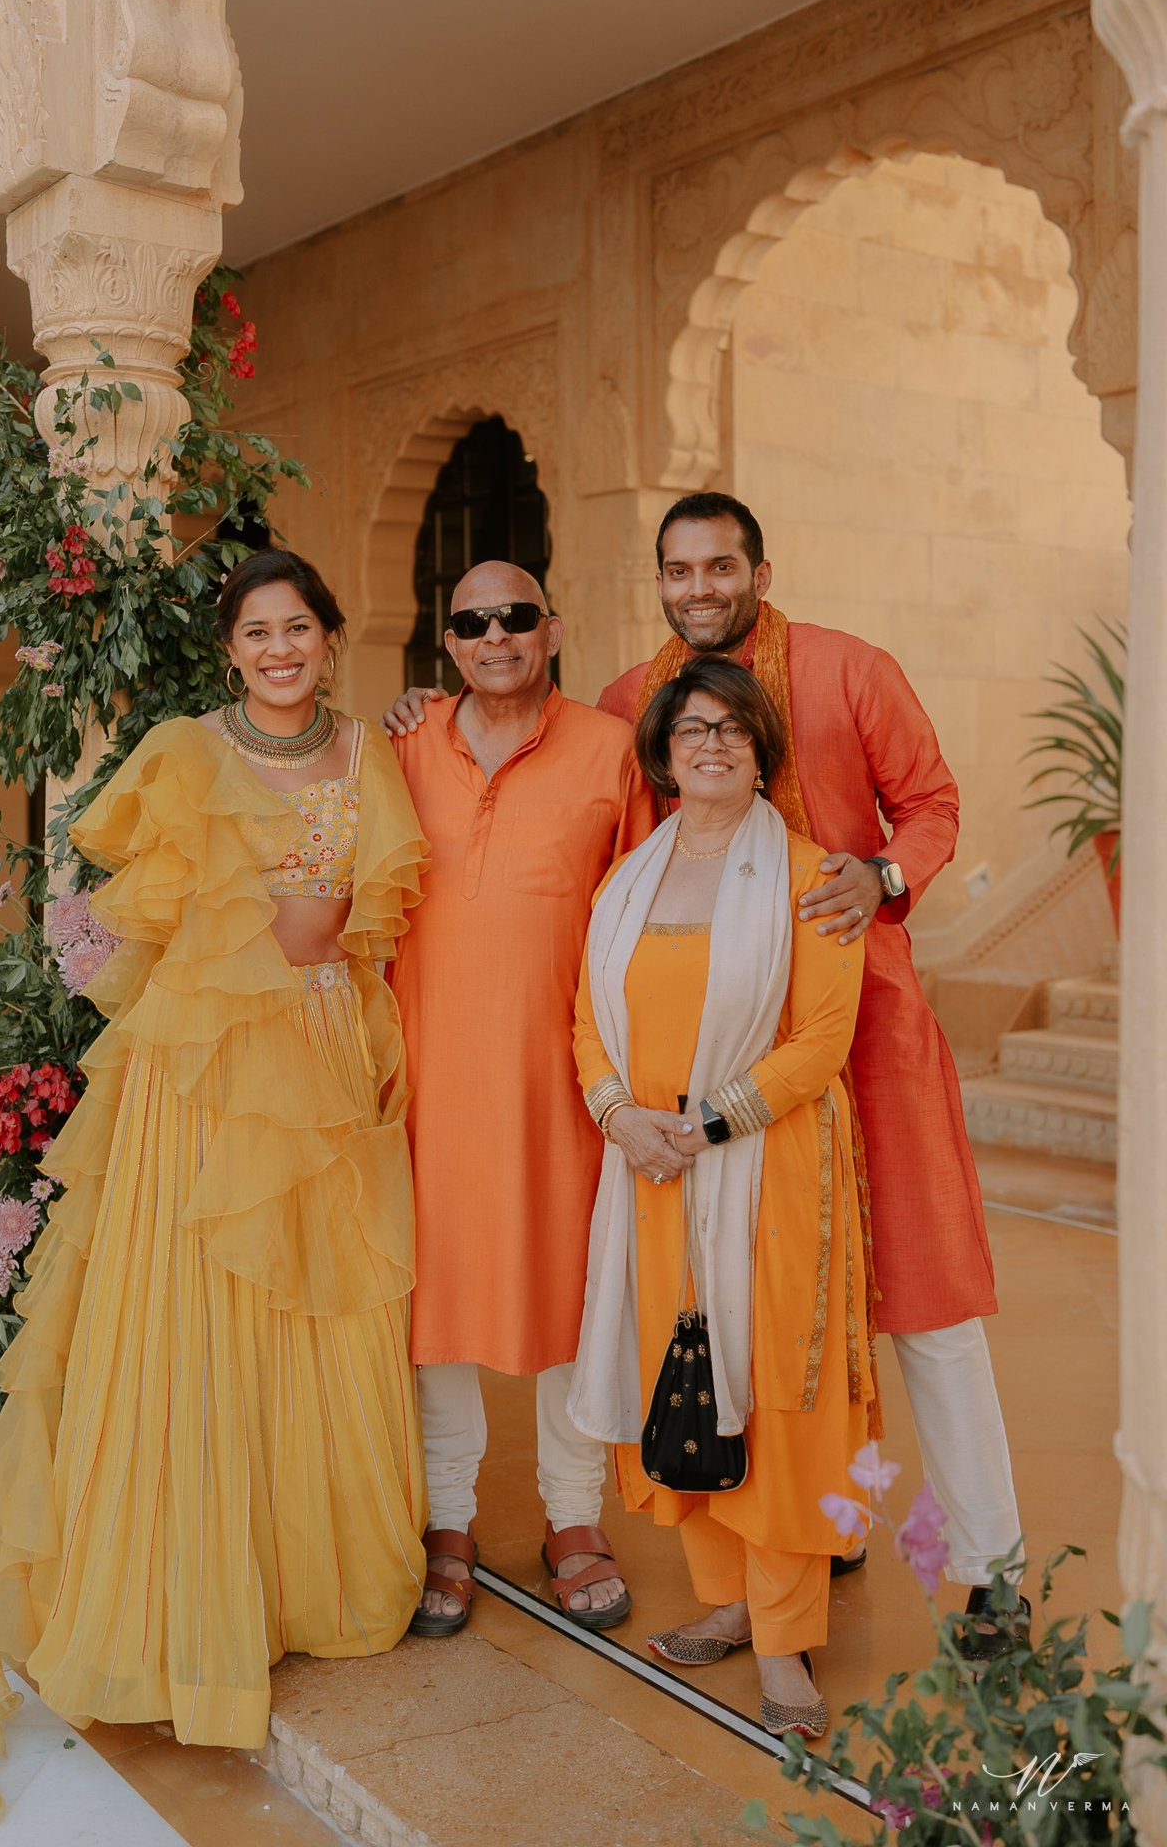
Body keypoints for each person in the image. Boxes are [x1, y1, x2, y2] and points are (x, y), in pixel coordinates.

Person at [0, 548, 429, 1844]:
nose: (281, 648)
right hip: (204, 1085)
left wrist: (326, 945)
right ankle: (189, 1616)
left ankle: (305, 1585)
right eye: (258, 631)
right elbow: (116, 921)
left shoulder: (368, 753)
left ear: (329, 637)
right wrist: (235, 942)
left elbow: (382, 918)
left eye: (300, 626)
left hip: (324, 1064)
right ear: (230, 649)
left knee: (317, 1314)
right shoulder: (185, 751)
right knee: (203, 1328)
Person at [596, 492, 1025, 1649]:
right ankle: (810, 1527)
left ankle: (992, 1572)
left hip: (866, 1031)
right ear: (658, 583)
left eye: (719, 567)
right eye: (677, 570)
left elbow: (929, 806)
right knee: (752, 1306)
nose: (699, 588)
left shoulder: (846, 670)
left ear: (757, 570)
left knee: (923, 1301)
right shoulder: (636, 703)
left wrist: (882, 876)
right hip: (714, 1064)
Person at [570, 655, 870, 1738]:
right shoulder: (627, 879)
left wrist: (700, 1128)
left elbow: (821, 1044)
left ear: (760, 751)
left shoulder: (808, 877)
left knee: (773, 1399)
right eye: (690, 729)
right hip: (648, 1172)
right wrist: (619, 1115)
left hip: (765, 1171)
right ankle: (729, 1603)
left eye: (732, 730)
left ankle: (787, 1647)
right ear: (659, 751)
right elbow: (583, 1021)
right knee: (681, 1378)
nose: (710, 745)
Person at [385, 560, 657, 1636]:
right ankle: (446, 1521)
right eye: (471, 621)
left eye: (515, 616)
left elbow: (641, 912)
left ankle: (572, 1521)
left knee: (569, 1292)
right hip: (427, 1077)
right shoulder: (402, 747)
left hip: (564, 1079)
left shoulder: (608, 750)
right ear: (445, 642)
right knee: (435, 1301)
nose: (494, 635)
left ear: (551, 627)